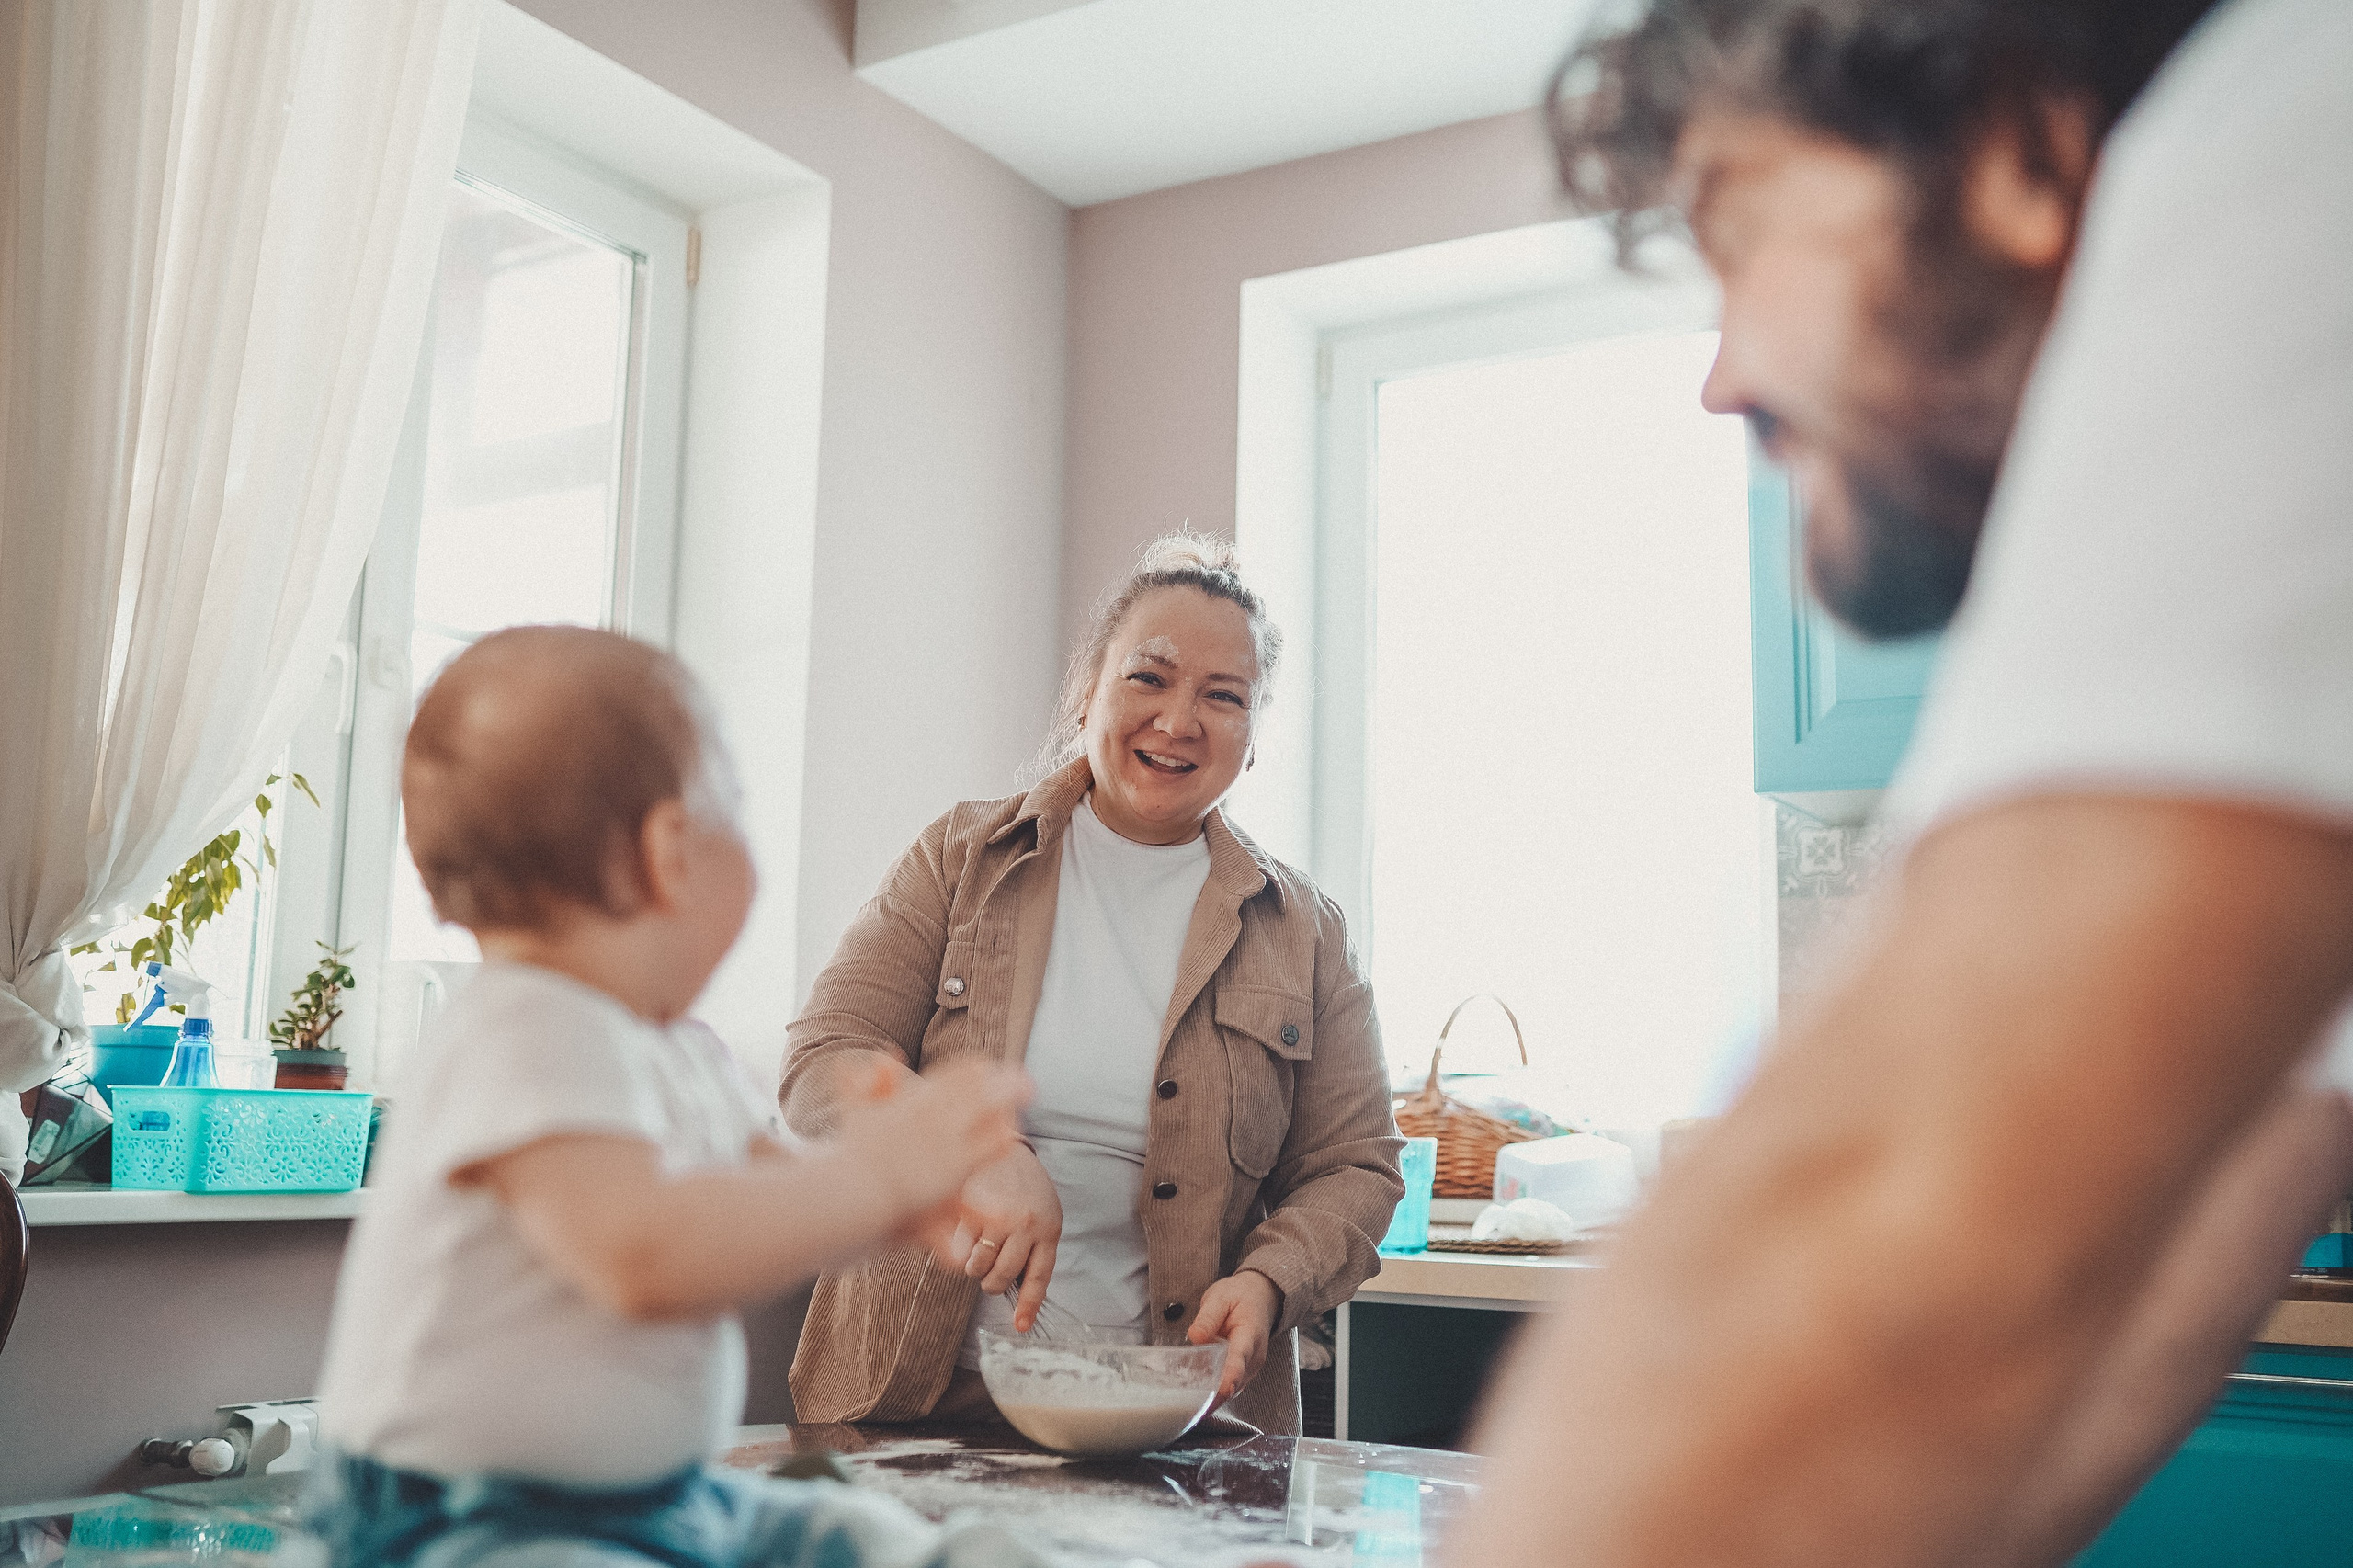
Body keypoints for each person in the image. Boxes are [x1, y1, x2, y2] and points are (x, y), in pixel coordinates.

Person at [1453, 2, 2353, 1564]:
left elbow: (1872, 1258)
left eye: (1735, 235)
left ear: (2020, 155)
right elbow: (2112, 1297)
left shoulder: (2286, 135)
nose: (1718, 383)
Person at [306, 627, 1040, 1568]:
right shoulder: (523, 1026)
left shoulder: (674, 1050)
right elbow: (645, 1252)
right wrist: (875, 1173)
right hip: (466, 1523)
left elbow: (775, 1198)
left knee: (860, 1533)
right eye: (737, 807)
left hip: (662, 1497)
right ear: (668, 850)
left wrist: (904, 1193)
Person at [781, 533, 1403, 1433]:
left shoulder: (1305, 930)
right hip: (914, 1403)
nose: (1179, 718)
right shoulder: (959, 859)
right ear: (1087, 692)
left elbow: (1355, 1163)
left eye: (1222, 695)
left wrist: (1269, 1279)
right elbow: (823, 1062)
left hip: (1180, 1418)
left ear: (1255, 736)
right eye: (1148, 677)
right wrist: (972, 1153)